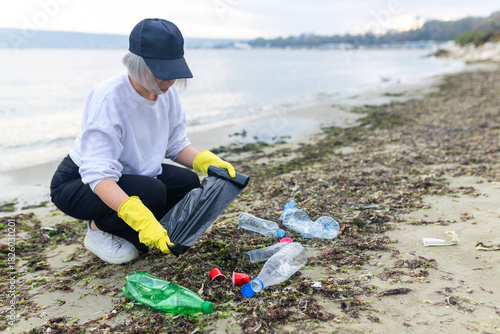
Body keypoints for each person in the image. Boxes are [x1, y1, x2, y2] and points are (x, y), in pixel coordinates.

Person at [50, 18, 236, 264]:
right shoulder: (109, 97)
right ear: (137, 65)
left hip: (133, 176)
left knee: (188, 182)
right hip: (78, 183)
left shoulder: (166, 95)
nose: (168, 81)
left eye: (173, 73)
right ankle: (98, 227)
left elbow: (176, 145)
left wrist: (208, 163)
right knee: (152, 194)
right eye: (162, 73)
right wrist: (140, 218)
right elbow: (98, 174)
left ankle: (133, 227)